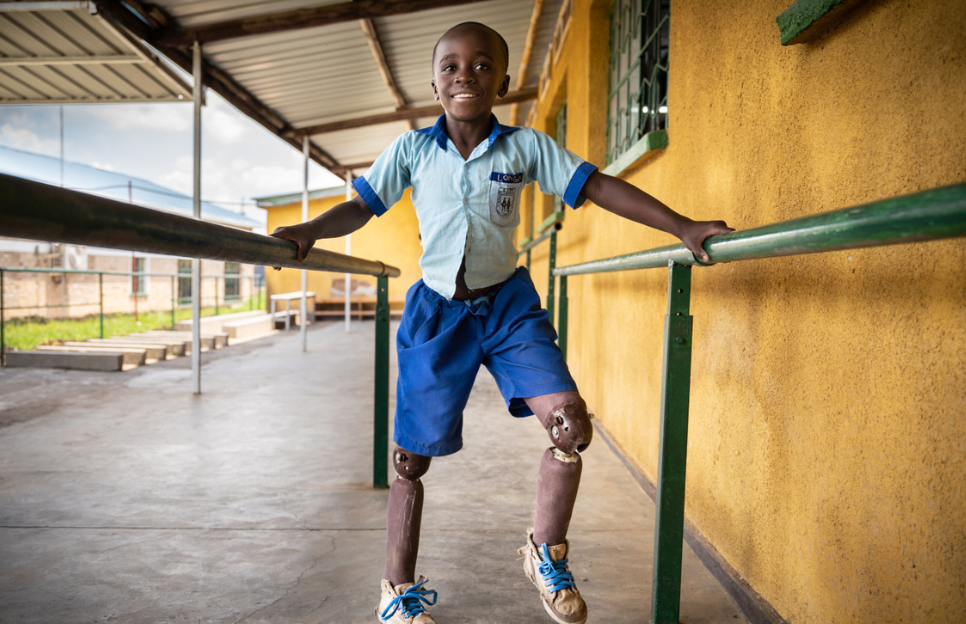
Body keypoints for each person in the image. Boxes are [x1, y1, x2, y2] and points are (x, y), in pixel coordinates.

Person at [271, 21, 733, 624]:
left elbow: (594, 186)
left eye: (482, 64)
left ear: (504, 81)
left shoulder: (526, 148)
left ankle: (545, 552)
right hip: (437, 313)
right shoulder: (411, 150)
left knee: (571, 425)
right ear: (435, 84)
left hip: (510, 309)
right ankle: (396, 590)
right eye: (452, 66)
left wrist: (682, 227)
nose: (466, 74)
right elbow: (362, 205)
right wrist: (309, 230)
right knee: (411, 460)